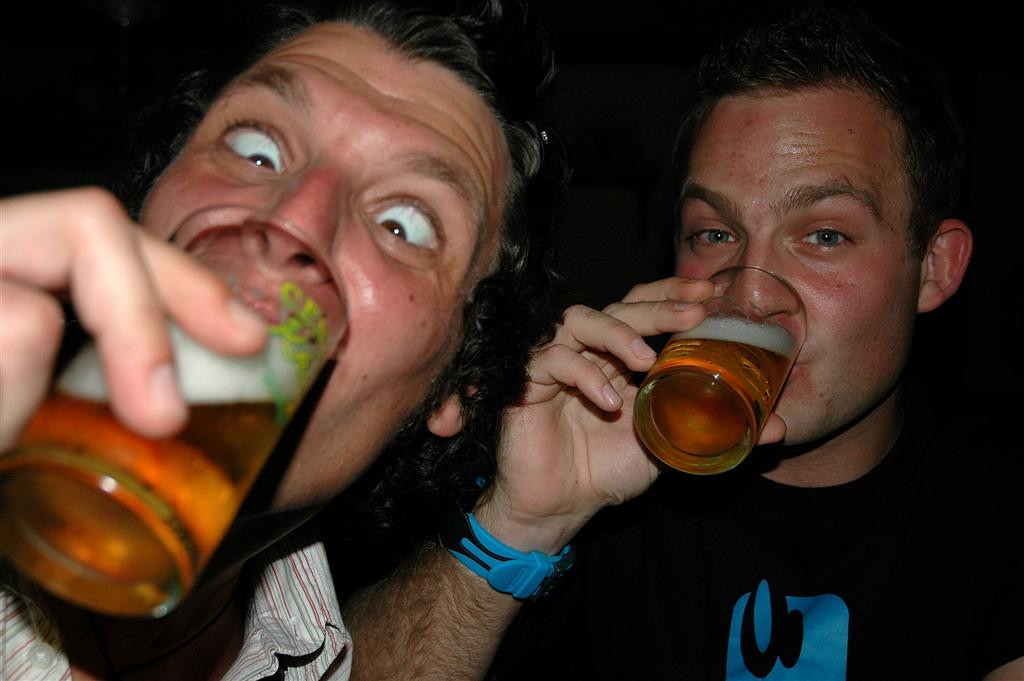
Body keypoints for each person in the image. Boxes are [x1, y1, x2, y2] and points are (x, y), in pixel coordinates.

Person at [341, 7, 1024, 680]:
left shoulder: (1002, 495)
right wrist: (519, 523)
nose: (751, 294)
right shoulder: (605, 483)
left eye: (825, 235)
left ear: (934, 267)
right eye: (715, 234)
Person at [0, 1, 565, 679]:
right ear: (146, 209)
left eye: (403, 226)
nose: (292, 219)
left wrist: (520, 524)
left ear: (454, 386)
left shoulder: (316, 653)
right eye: (256, 150)